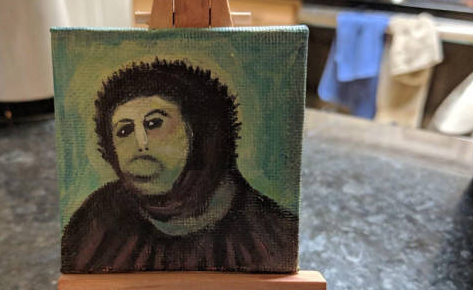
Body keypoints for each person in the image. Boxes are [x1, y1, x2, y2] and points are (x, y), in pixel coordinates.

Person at [61, 59, 298, 273]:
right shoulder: (97, 221)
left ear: (200, 132)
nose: (140, 143)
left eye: (154, 123)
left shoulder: (271, 233)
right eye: (124, 131)